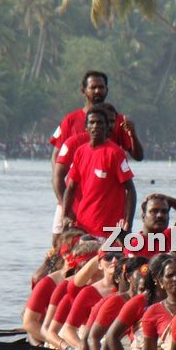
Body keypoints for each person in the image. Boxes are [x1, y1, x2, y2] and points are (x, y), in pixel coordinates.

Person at [48, 72, 143, 246]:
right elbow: (57, 168)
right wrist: (65, 209)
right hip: (74, 202)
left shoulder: (119, 122)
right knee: (59, 248)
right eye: (93, 87)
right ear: (84, 91)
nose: (98, 91)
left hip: (107, 207)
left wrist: (133, 133)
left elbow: (138, 157)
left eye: (101, 87)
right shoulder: (71, 122)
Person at [62, 105, 137, 240]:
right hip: (83, 228)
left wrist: (128, 224)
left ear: (107, 127)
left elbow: (130, 190)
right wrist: (65, 216)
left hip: (109, 231)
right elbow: (71, 187)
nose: (96, 126)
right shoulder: (80, 152)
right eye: (92, 122)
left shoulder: (116, 153)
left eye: (100, 122)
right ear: (86, 127)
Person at [102, 253, 173, 350]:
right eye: (170, 275)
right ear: (157, 278)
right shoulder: (138, 302)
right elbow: (111, 336)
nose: (175, 280)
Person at [83, 256, 148, 350]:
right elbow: (94, 337)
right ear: (128, 277)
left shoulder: (152, 299)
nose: (145, 277)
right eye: (141, 273)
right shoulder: (115, 302)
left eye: (147, 272)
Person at [122, 193, 176, 259]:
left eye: (164, 211)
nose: (160, 215)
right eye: (154, 211)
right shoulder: (133, 245)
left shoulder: (174, 236)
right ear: (143, 217)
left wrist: (170, 200)